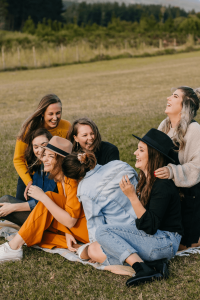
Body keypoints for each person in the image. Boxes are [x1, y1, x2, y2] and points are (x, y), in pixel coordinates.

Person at [93, 129, 183, 287]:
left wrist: (132, 196)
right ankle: (155, 265)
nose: (135, 153)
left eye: (141, 150)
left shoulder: (162, 186)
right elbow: (141, 224)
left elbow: (149, 226)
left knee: (103, 233)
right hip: (156, 240)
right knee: (98, 248)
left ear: (154, 155)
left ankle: (142, 268)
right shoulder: (147, 180)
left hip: (165, 241)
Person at [0, 137, 89, 262]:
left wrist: (42, 196)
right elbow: (65, 210)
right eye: (44, 155)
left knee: (48, 198)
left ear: (61, 160)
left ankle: (13, 247)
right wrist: (67, 233)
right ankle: (15, 247)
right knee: (36, 233)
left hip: (87, 230)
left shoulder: (72, 181)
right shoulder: (60, 179)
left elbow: (71, 221)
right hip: (72, 228)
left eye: (50, 156)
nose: (44, 159)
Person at [60, 148, 138, 259]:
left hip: (125, 232)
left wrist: (94, 249)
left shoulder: (85, 190)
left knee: (85, 253)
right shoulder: (118, 164)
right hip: (144, 216)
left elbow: (95, 224)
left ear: (73, 177)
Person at [155, 86, 200, 249]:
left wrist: (172, 171)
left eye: (174, 96)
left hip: (189, 197)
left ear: (185, 105)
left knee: (184, 244)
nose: (168, 98)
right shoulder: (164, 125)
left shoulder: (194, 130)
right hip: (166, 191)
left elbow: (197, 167)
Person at [14, 94, 71, 201]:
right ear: (42, 113)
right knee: (20, 206)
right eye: (51, 114)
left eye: (58, 113)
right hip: (31, 173)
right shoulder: (29, 129)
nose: (55, 118)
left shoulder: (67, 126)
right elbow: (18, 159)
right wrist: (28, 181)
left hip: (53, 175)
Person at [0, 128, 57, 225]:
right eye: (36, 147)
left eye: (44, 145)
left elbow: (44, 202)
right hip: (37, 212)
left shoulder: (54, 169)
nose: (40, 150)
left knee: (6, 203)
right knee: (4, 201)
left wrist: (13, 207)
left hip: (49, 220)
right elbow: (33, 198)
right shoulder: (40, 168)